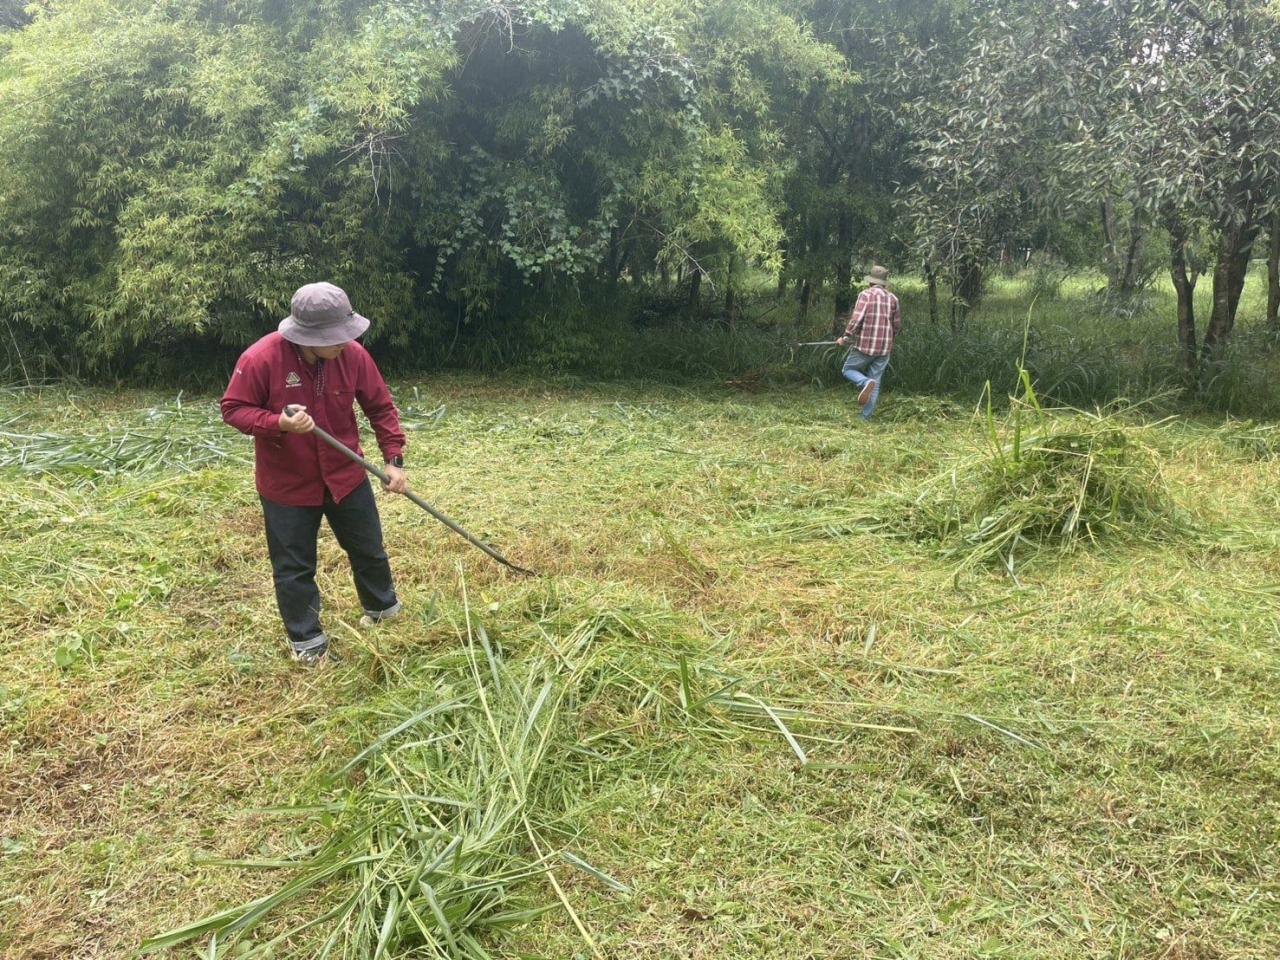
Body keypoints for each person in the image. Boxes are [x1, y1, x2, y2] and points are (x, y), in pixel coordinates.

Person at [221, 282, 409, 667]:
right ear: (310, 336)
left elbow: (381, 406)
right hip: (287, 483)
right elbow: (233, 409)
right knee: (294, 568)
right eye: (337, 337)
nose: (347, 342)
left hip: (346, 474)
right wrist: (278, 423)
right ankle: (308, 643)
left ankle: (382, 611)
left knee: (368, 549)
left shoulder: (353, 355)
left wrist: (393, 459)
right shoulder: (261, 358)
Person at [836, 264, 901, 420]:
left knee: (848, 370)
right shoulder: (893, 298)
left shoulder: (865, 295)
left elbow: (856, 319)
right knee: (876, 381)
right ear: (884, 282)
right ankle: (865, 417)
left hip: (865, 345)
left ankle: (864, 382)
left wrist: (845, 337)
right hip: (885, 347)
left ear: (871, 281)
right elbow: (897, 325)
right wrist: (890, 339)